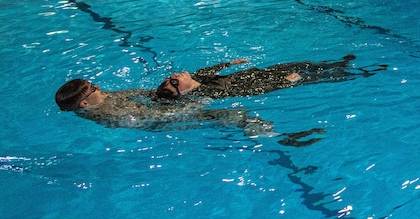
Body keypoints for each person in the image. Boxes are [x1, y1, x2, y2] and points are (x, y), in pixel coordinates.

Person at [54, 78, 324, 146]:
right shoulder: (108, 114)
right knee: (235, 115)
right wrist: (196, 102)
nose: (99, 86)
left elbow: (141, 94)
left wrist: (171, 91)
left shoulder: (105, 98)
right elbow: (157, 119)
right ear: (85, 104)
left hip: (158, 113)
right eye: (93, 88)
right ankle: (281, 137)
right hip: (162, 124)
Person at [153, 56, 387, 99]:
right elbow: (251, 91)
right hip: (272, 83)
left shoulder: (198, 77)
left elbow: (211, 70)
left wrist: (229, 64)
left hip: (262, 73)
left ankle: (340, 62)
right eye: (173, 82)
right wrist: (284, 82)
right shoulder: (210, 93)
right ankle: (360, 73)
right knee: (319, 77)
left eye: (170, 77)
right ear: (182, 92)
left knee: (304, 63)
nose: (174, 76)